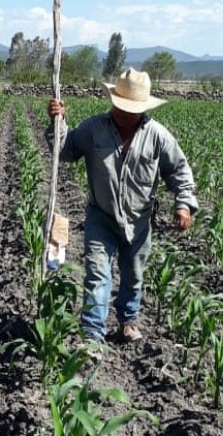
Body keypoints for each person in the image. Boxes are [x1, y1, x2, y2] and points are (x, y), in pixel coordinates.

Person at [45, 67, 198, 343]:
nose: (124, 113)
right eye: (120, 106)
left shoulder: (158, 136)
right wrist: (59, 123)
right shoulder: (94, 129)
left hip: (139, 220)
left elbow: (178, 171)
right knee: (97, 273)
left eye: (131, 109)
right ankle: (92, 334)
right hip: (101, 216)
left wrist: (183, 205)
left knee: (133, 273)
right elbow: (65, 152)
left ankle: (127, 320)